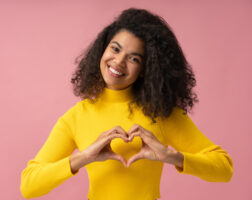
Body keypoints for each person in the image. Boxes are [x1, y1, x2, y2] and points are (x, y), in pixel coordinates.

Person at [20, 8, 233, 200]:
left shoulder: (161, 113)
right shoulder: (76, 117)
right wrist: (84, 157)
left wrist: (171, 156)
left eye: (134, 59)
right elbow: (29, 186)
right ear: (102, 50)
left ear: (145, 70)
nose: (119, 62)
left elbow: (224, 169)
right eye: (115, 49)